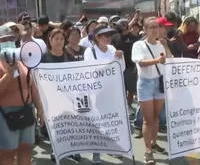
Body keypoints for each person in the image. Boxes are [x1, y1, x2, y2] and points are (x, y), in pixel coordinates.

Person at [0, 25, 44, 165]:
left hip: (26, 112)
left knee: (26, 150)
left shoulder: (22, 61)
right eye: (4, 39)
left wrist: (40, 108)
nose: (9, 41)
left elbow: (32, 87)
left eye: (11, 38)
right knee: (7, 153)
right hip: (6, 115)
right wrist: (8, 75)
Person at [131, 17, 172, 165]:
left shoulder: (161, 44)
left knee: (156, 117)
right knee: (148, 119)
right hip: (146, 83)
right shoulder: (139, 45)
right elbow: (141, 62)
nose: (155, 30)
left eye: (157, 27)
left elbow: (170, 59)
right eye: (152, 27)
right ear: (146, 29)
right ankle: (148, 150)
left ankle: (154, 143)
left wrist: (166, 46)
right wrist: (156, 61)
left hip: (159, 82)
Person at [83, 25, 124, 164]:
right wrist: (113, 60)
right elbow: (93, 70)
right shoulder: (90, 51)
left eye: (109, 35)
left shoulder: (112, 49)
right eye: (104, 35)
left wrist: (119, 58)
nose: (108, 38)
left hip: (112, 90)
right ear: (97, 37)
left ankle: (111, 147)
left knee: (110, 120)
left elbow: (121, 68)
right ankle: (96, 152)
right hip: (96, 92)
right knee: (97, 122)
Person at [40, 29, 80, 162]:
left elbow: (76, 74)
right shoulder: (43, 57)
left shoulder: (69, 55)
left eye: (61, 39)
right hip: (51, 97)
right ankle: (56, 150)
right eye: (56, 38)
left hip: (68, 95)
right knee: (56, 125)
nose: (59, 41)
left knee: (70, 124)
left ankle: (72, 149)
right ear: (50, 40)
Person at [112, 19, 139, 115]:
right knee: (120, 88)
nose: (117, 28)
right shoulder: (115, 37)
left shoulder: (133, 38)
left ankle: (128, 105)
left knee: (131, 89)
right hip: (118, 67)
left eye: (119, 26)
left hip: (130, 67)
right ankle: (121, 106)